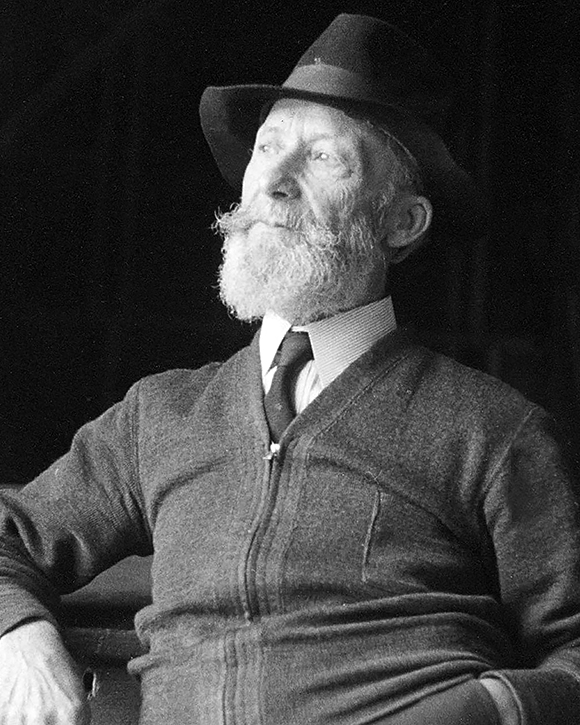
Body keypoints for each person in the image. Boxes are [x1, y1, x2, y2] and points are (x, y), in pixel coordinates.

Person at [1, 13, 579, 725]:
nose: (272, 180)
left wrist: (478, 710)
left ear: (403, 223)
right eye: (268, 146)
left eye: (324, 157)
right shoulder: (161, 415)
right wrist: (19, 639)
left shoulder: (493, 430)